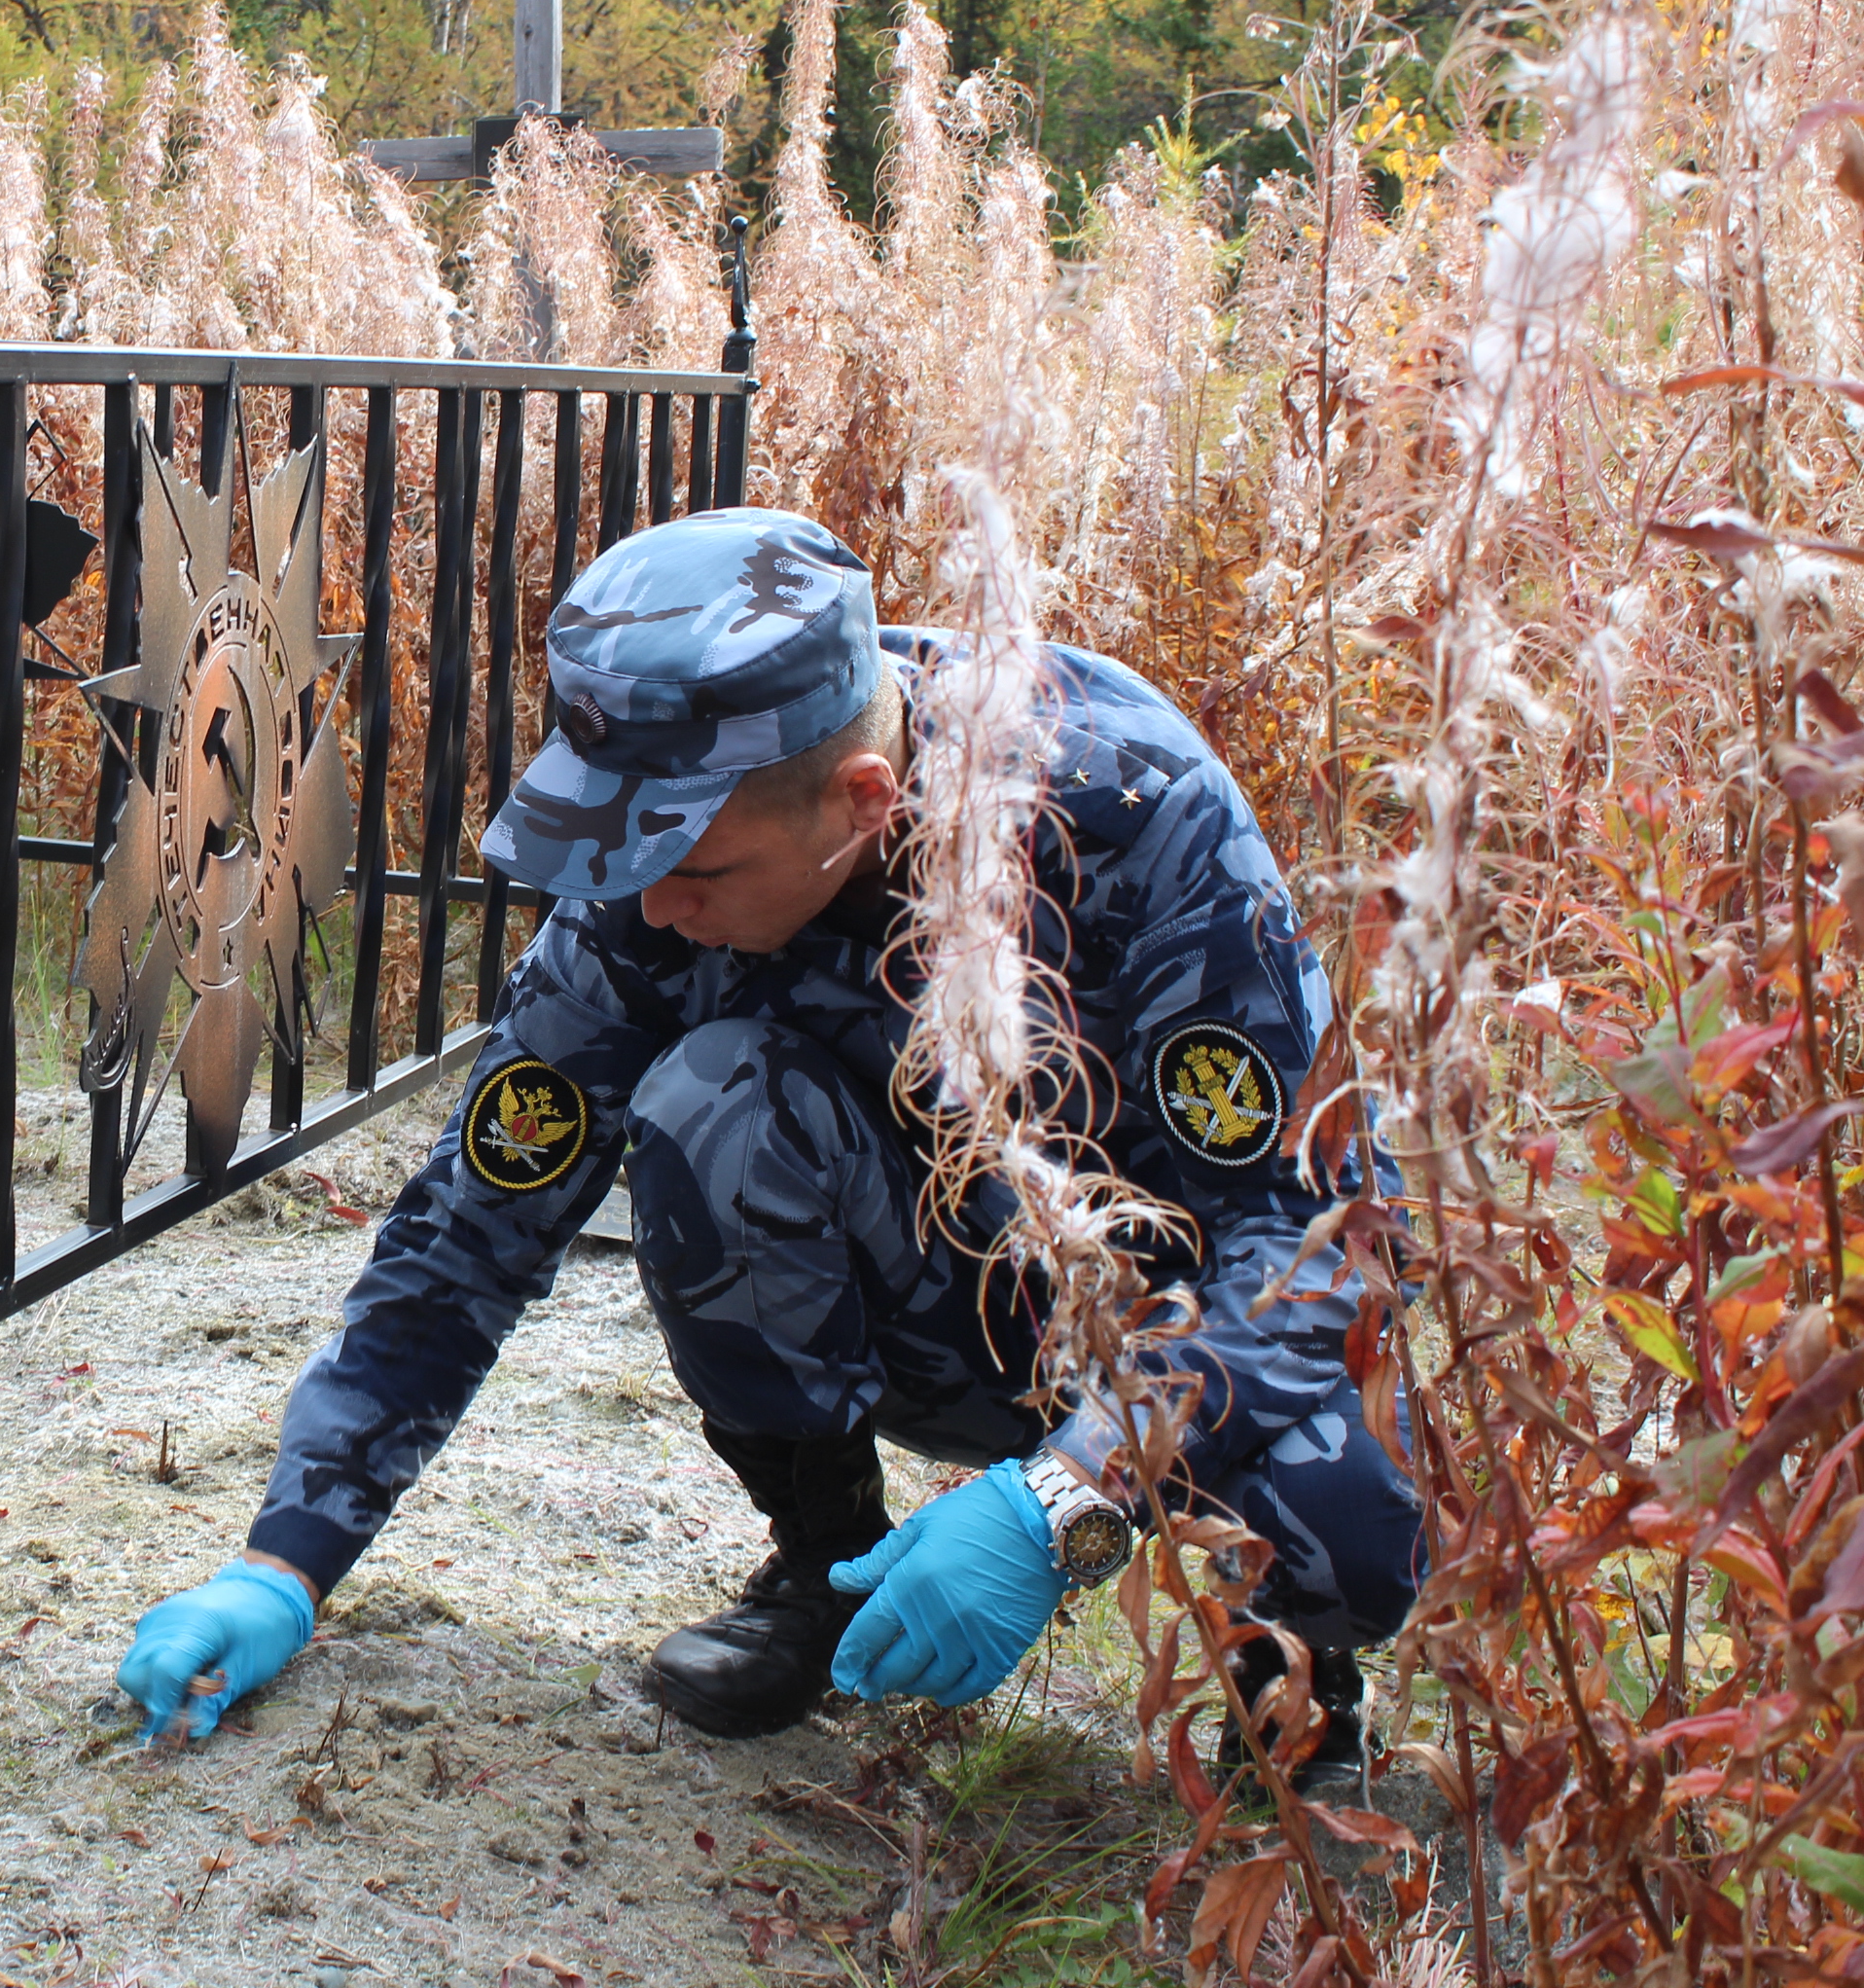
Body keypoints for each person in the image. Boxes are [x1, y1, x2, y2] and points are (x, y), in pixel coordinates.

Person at [115, 508, 1422, 1775]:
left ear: (860, 800)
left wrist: (1070, 1494)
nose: (652, 908)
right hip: (919, 1301)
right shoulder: (659, 862)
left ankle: (1290, 1665)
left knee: (1353, 1522)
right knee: (709, 1102)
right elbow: (477, 1221)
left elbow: (1313, 1247)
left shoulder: (1133, 813)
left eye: (694, 874)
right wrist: (284, 1559)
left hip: (1144, 1308)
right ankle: (827, 1570)